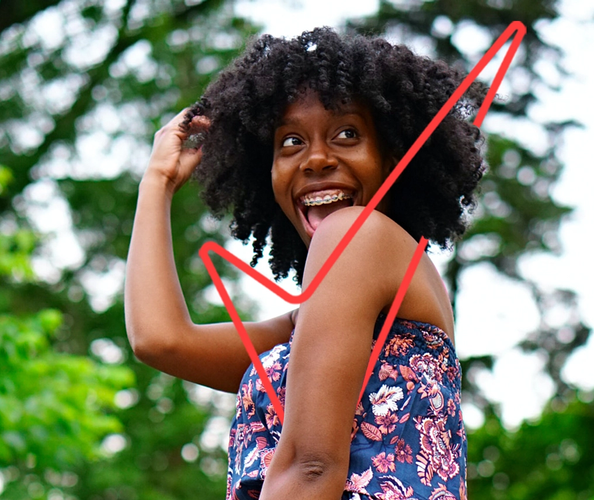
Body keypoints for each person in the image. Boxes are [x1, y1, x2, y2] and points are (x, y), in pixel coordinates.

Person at [125, 27, 486, 500]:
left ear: (393, 156)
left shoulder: (357, 235)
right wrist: (157, 180)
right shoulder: (338, 309)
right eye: (290, 142)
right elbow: (162, 341)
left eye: (347, 134)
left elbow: (310, 468)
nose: (316, 158)